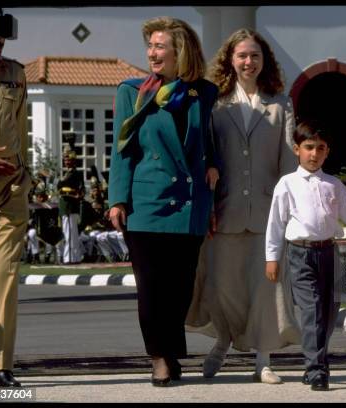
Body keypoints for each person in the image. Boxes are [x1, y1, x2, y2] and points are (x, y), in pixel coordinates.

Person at [108, 16, 218, 387]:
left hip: (189, 203)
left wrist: (215, 170)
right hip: (146, 203)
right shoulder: (132, 91)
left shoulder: (202, 92)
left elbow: (209, 142)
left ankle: (171, 353)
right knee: (151, 288)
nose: (152, 53)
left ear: (180, 52)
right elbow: (121, 151)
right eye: (150, 46)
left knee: (180, 288)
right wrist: (117, 200)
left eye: (160, 46)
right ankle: (159, 357)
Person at [185, 28, 300, 384]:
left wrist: (289, 213)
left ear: (264, 61)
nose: (248, 62)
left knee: (266, 290)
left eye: (255, 56)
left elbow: (288, 164)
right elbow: (203, 155)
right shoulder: (216, 104)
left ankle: (263, 361)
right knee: (222, 287)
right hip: (224, 212)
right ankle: (223, 339)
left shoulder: (280, 105)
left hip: (268, 214)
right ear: (230, 60)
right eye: (242, 56)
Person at [266, 120, 346, 390]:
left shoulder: (333, 184)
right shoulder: (287, 184)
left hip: (329, 252)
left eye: (320, 148)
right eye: (309, 147)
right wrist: (272, 257)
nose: (314, 154)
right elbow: (276, 223)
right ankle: (316, 370)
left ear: (327, 152)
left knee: (327, 312)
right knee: (312, 309)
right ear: (297, 149)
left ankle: (317, 360)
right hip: (300, 254)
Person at [0, 7, 30, 387]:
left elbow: (20, 128)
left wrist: (24, 172)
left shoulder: (14, 73)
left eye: (0, 40)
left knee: (5, 273)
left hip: (10, 186)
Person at [57, 144, 85, 264]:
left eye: (68, 159)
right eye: (65, 159)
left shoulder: (73, 173)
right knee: (70, 233)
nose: (65, 161)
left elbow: (80, 190)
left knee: (70, 233)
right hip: (66, 206)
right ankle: (74, 257)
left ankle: (69, 258)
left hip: (69, 206)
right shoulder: (68, 173)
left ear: (73, 160)